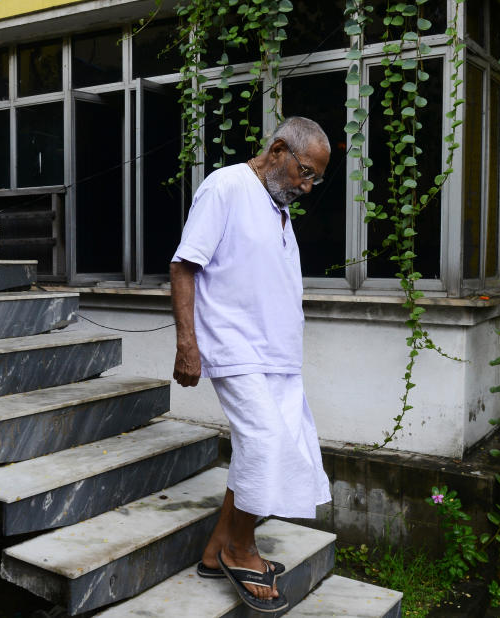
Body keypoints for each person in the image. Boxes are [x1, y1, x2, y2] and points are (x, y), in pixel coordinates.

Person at [170, 116, 333, 613]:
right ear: (279, 149)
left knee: (267, 446)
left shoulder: (276, 206)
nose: (307, 186)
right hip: (236, 348)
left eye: (315, 179)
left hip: (278, 355)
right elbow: (184, 265)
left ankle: (218, 549)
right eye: (304, 172)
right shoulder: (227, 187)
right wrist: (187, 344)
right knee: (264, 444)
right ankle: (242, 548)